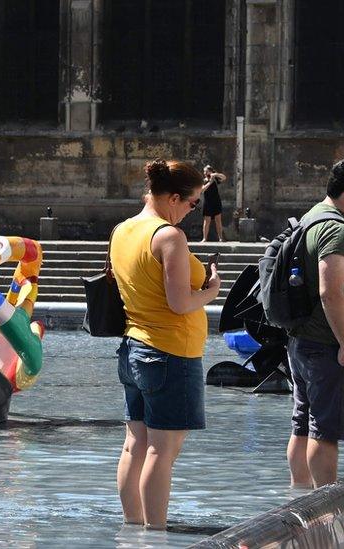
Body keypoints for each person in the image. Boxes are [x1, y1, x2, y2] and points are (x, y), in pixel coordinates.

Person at [109, 159, 221, 529]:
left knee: (135, 444)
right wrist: (211, 291)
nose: (192, 211)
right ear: (173, 198)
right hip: (171, 352)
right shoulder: (169, 236)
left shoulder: (122, 230)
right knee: (162, 449)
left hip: (133, 349)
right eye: (192, 203)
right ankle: (156, 533)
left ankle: (132, 526)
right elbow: (179, 303)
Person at [285, 156, 344, 489]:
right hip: (327, 344)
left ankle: (297, 503)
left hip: (301, 341)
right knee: (325, 432)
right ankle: (324, 512)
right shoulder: (336, 229)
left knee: (302, 425)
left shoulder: (312, 217)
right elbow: (330, 292)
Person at [200, 165, 226, 242]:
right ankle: (204, 238)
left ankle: (220, 238)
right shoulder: (204, 180)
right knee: (206, 221)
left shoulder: (215, 179)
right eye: (204, 171)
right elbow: (202, 190)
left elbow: (224, 177)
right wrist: (210, 182)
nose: (205, 173)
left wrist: (216, 175)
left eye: (206, 171)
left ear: (211, 171)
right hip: (208, 202)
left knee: (218, 220)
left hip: (216, 201)